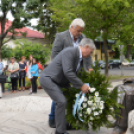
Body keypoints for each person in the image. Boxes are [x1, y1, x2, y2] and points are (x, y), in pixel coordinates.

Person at [39, 38, 96, 134]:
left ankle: (68, 122)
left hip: (60, 82)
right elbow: (68, 72)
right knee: (61, 101)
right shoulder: (70, 52)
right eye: (91, 52)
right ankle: (60, 131)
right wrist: (81, 86)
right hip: (49, 79)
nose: (90, 55)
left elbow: (78, 74)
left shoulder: (80, 57)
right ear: (86, 47)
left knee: (72, 98)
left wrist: (86, 84)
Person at [49, 18, 93, 128]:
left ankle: (68, 120)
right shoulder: (61, 36)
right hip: (62, 71)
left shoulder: (83, 38)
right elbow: (54, 54)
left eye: (82, 31)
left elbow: (87, 55)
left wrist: (90, 68)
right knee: (58, 94)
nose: (80, 33)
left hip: (77, 71)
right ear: (71, 27)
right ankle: (52, 118)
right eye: (78, 30)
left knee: (71, 95)